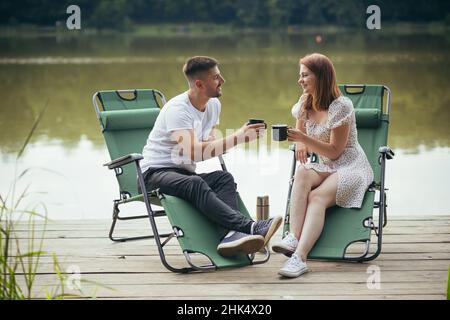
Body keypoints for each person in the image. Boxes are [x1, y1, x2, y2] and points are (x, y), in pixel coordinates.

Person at [139, 56, 282, 257]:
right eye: (216, 77)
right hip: (153, 174)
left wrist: (240, 138)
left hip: (183, 174)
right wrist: (238, 137)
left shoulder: (213, 105)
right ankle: (249, 227)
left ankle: (231, 235)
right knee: (196, 183)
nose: (222, 80)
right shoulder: (177, 109)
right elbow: (194, 153)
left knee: (224, 179)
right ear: (199, 84)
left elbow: (208, 144)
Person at [271, 53, 374, 277]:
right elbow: (301, 133)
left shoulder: (341, 106)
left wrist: (302, 139)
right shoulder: (305, 102)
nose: (300, 80)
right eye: (300, 75)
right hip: (329, 166)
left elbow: (336, 151)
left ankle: (300, 258)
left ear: (321, 76)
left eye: (305, 75)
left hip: (352, 166)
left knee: (316, 197)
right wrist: (300, 144)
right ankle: (294, 237)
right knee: (303, 172)